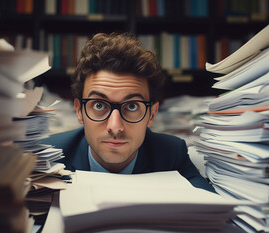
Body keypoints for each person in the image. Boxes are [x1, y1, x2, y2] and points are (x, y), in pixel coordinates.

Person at [42, 32, 215, 192]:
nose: (115, 127)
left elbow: (212, 212)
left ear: (152, 114)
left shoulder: (171, 154)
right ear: (79, 111)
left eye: (132, 106)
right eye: (99, 105)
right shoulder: (48, 155)